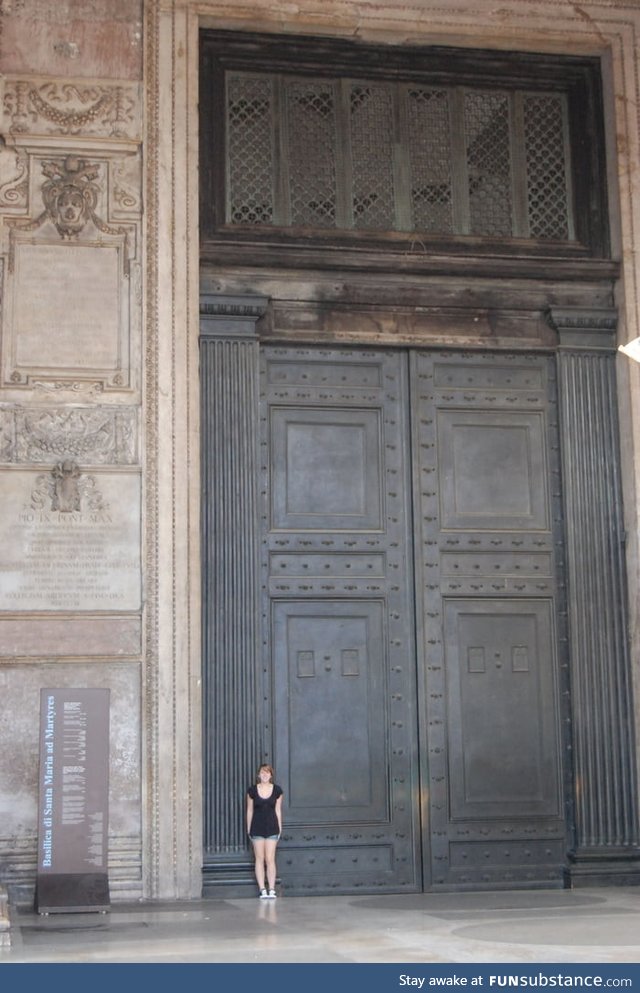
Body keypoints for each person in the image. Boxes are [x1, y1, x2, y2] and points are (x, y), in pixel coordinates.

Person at [246, 763, 283, 899]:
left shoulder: (277, 791)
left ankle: (271, 888)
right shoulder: (252, 791)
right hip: (257, 826)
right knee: (259, 858)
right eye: (262, 772)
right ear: (258, 775)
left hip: (272, 826)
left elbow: (278, 810)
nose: (265, 775)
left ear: (271, 775)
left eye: (267, 772)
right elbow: (249, 810)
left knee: (270, 859)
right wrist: (249, 828)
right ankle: (262, 888)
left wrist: (280, 827)